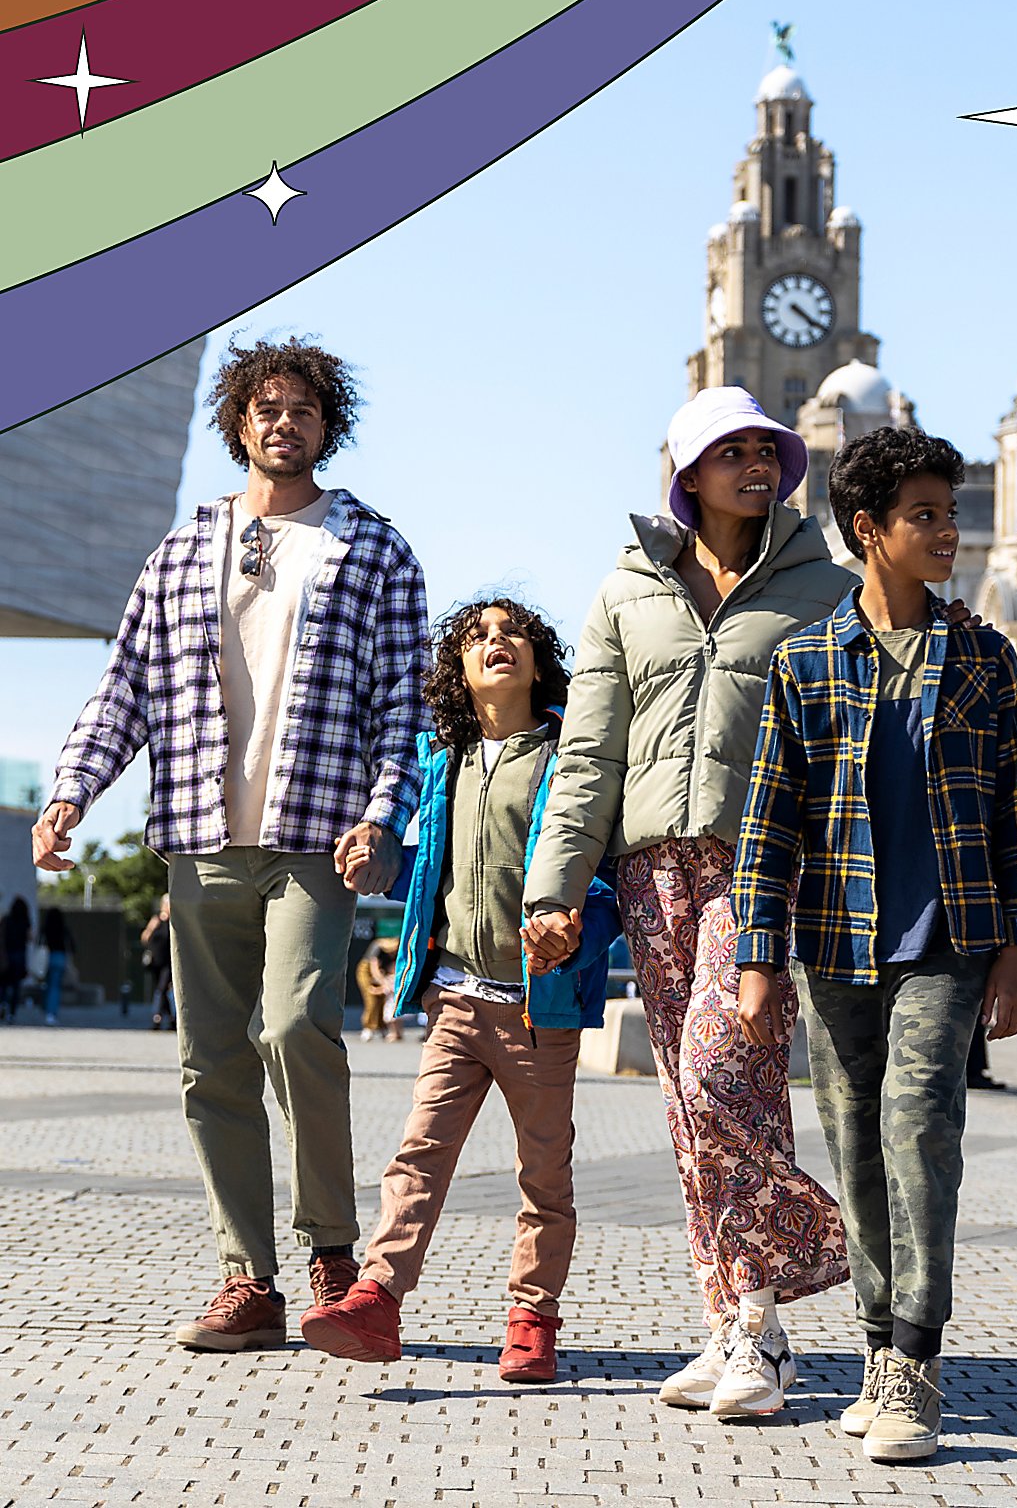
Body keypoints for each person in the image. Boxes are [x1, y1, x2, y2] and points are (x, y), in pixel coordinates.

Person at [524, 387, 982, 1419]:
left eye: (767, 450)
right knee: (691, 1110)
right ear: (687, 473)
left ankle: (798, 1284)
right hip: (651, 872)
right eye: (730, 452)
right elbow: (590, 754)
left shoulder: (824, 584)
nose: (757, 466)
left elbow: (866, 730)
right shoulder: (626, 593)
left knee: (719, 1077)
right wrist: (554, 888)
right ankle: (740, 1324)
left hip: (766, 867)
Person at [32, 337, 428, 1354]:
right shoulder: (181, 550)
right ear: (239, 424)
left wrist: (384, 814)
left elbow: (402, 709)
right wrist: (72, 789)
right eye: (265, 407)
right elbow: (126, 686)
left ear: (325, 426)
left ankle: (333, 1253)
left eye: (302, 408)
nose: (283, 422)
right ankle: (246, 1279)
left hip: (316, 836)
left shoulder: (373, 549)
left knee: (298, 1026)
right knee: (209, 1062)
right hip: (200, 839)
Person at [733, 426, 1017, 1463]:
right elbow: (769, 817)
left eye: (949, 513)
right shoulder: (807, 663)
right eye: (923, 516)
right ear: (868, 531)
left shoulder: (984, 660)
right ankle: (876, 1349)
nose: (947, 530)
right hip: (837, 942)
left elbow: (1016, 814)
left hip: (950, 937)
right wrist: (754, 953)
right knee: (855, 1145)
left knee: (919, 1127)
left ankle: (916, 1363)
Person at [302, 598, 620, 1385]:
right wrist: (381, 864)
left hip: (535, 1009)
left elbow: (609, 874)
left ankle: (532, 1319)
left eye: (512, 631)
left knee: (544, 1173)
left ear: (539, 660)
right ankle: (376, 1299)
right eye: (477, 637)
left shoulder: (569, 757)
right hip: (454, 1000)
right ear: (460, 672)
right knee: (418, 1155)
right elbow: (434, 876)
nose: (495, 642)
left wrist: (581, 923)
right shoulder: (444, 760)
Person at [140, 897, 176, 1030]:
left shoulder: (173, 922)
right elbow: (145, 937)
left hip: (168, 961)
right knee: (162, 990)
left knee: (161, 989)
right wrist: (151, 930)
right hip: (156, 961)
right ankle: (172, 1019)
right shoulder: (156, 920)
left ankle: (157, 1016)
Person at [355, 937, 399, 1041]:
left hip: (384, 976)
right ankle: (368, 1028)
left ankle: (381, 1027)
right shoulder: (378, 949)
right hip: (367, 973)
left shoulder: (397, 952)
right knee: (371, 999)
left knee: (383, 1000)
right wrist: (384, 983)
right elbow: (374, 970)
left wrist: (386, 985)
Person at [39, 905, 74, 1026]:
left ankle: (45, 1008)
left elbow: (39, 942)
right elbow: (72, 944)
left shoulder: (46, 928)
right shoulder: (63, 928)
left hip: (47, 957)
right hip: (59, 957)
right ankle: (51, 1012)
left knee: (47, 985)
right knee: (55, 986)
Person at [2, 896, 33, 1021]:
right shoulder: (25, 921)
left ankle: (3, 1003)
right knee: (16, 986)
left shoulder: (7, 919)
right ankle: (12, 1013)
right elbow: (30, 938)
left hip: (6, 956)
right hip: (19, 956)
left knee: (3, 984)